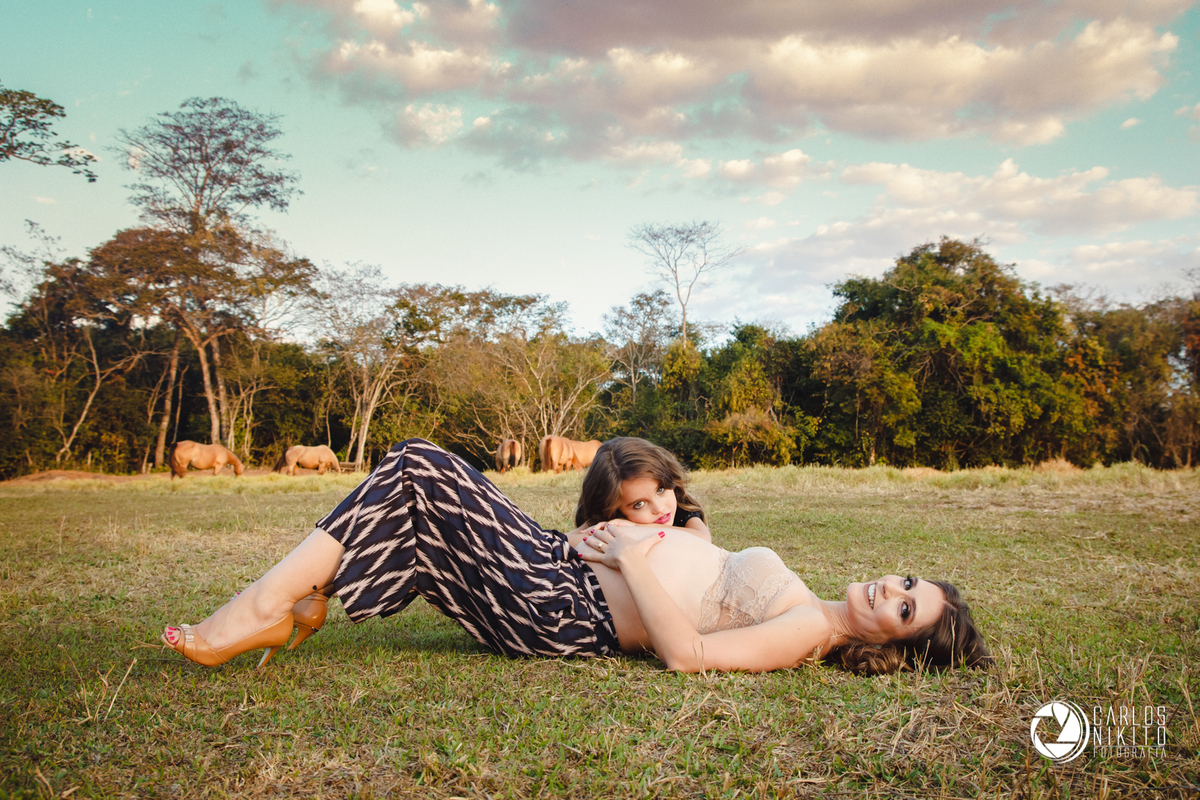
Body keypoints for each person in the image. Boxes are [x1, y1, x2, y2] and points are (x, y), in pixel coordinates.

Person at [161, 439, 990, 674]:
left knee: (421, 468)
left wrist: (632, 555)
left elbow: (690, 654)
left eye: (905, 609)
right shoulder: (806, 597)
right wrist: (662, 537)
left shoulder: (806, 630)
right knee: (418, 472)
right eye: (909, 582)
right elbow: (701, 572)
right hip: (565, 572)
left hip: (569, 611)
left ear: (891, 644)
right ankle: (296, 603)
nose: (893, 588)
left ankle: (262, 610)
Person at [574, 437, 711, 542]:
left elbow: (703, 539)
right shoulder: (610, 521)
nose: (659, 508)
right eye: (639, 504)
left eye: (660, 490)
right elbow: (565, 541)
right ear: (613, 512)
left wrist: (636, 528)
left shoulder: (682, 507)